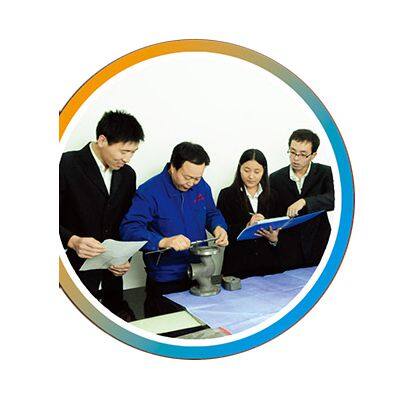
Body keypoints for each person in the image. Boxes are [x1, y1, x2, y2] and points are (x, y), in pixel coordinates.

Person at [120, 142, 228, 317]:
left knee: (202, 327)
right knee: (168, 328)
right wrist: (163, 241)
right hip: (165, 278)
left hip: (200, 272)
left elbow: (211, 212)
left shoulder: (201, 186)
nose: (191, 183)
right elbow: (129, 229)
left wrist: (219, 227)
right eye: (187, 177)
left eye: (197, 178)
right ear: (172, 167)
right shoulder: (149, 191)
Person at [59, 110, 144, 320]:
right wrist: (72, 240)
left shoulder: (128, 174)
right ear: (102, 140)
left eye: (133, 152)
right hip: (70, 272)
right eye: (124, 151)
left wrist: (124, 258)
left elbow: (125, 221)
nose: (127, 159)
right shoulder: (65, 164)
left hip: (112, 277)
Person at [269, 129, 334, 269]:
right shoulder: (275, 178)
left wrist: (305, 201)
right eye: (292, 152)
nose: (296, 158)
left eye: (303, 154)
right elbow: (272, 211)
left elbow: (334, 199)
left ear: (313, 155)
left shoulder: (325, 172)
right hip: (288, 247)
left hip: (319, 243)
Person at [217, 149, 282, 279]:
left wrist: (274, 239)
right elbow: (223, 231)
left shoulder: (274, 195)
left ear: (264, 171)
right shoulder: (227, 195)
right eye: (246, 170)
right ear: (239, 168)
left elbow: (281, 228)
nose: (251, 176)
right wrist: (247, 225)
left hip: (269, 267)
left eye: (257, 172)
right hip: (237, 266)